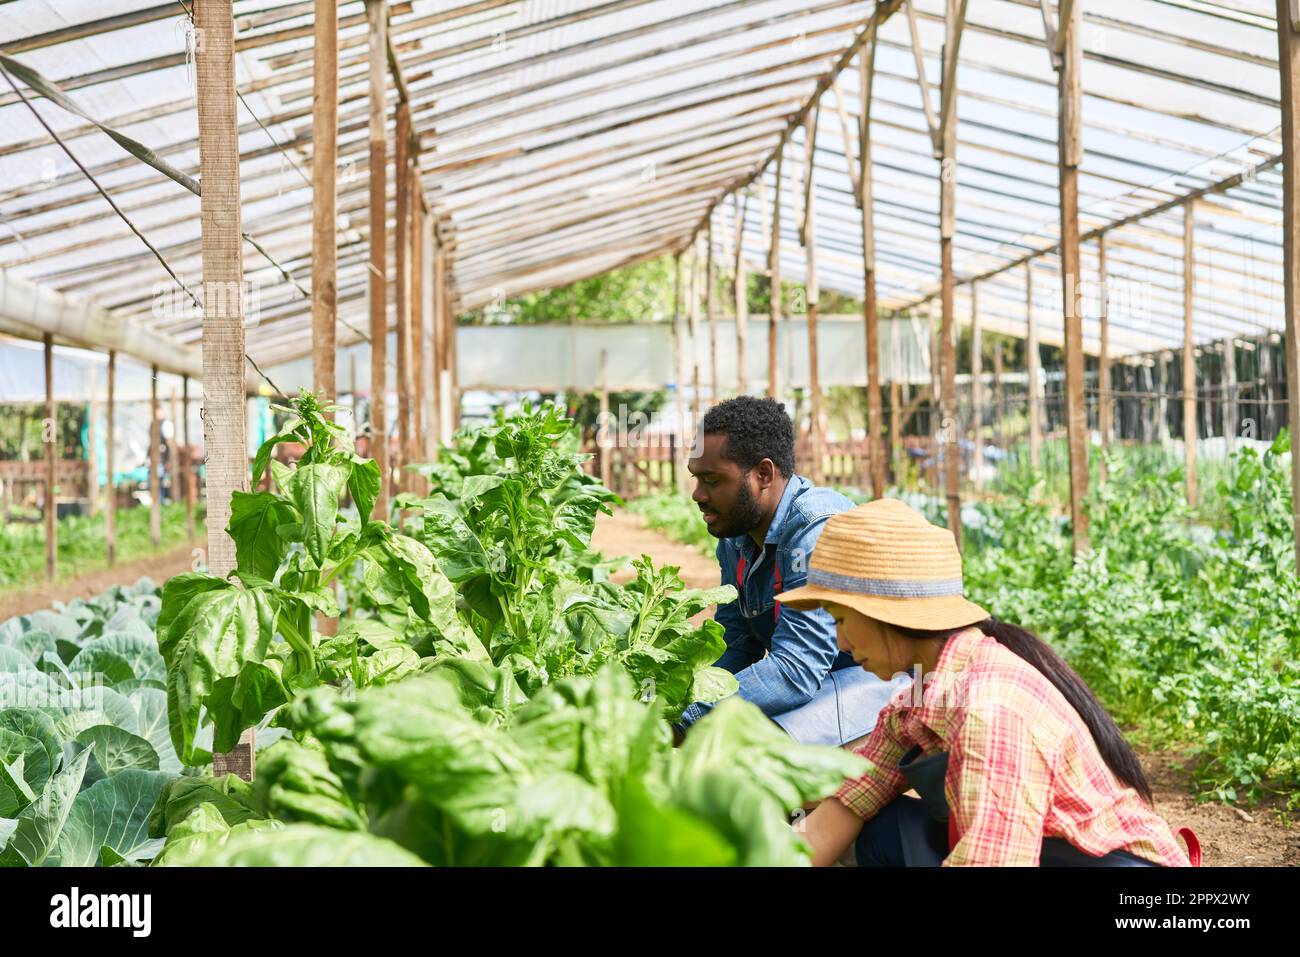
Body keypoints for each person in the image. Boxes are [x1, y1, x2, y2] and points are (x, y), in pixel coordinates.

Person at [779, 498, 1195, 867]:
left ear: (887, 613)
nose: (841, 642)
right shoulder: (921, 696)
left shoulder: (990, 710)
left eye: (841, 619)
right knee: (879, 825)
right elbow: (852, 798)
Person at [676, 396, 907, 746]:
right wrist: (680, 700)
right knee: (721, 738)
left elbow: (796, 670)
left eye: (711, 480)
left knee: (759, 752)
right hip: (822, 686)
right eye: (696, 479)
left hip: (886, 682)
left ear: (763, 474)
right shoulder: (736, 539)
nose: (698, 494)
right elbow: (737, 643)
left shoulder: (815, 531)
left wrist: (691, 720)